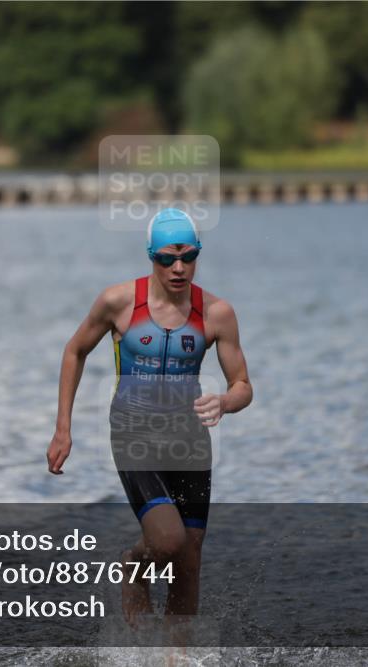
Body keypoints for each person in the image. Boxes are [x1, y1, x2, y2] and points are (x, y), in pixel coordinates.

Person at [47, 208, 253, 629]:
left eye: (188, 257)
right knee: (170, 540)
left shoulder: (217, 313)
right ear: (150, 257)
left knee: (190, 553)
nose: (178, 268)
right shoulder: (118, 303)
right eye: (166, 259)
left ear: (197, 254)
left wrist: (225, 403)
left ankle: (177, 655)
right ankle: (134, 563)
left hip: (190, 440)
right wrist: (63, 429)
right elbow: (74, 351)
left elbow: (243, 385)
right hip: (133, 433)